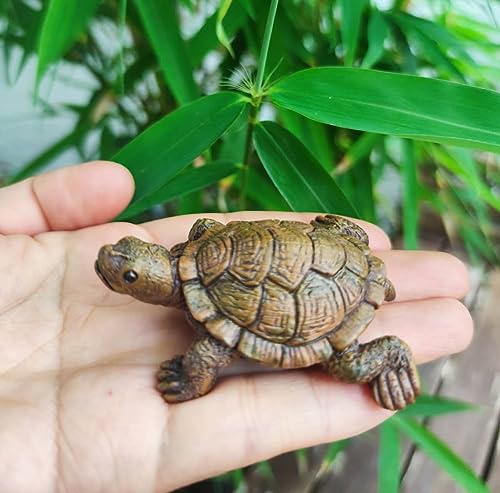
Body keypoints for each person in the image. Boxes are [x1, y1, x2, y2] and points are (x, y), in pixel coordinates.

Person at [0, 161, 472, 493]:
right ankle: (344, 238)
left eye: (127, 275)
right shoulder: (198, 246)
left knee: (345, 368)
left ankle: (387, 351)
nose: (114, 265)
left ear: (154, 279)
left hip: (324, 305)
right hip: (311, 249)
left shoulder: (195, 277)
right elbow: (207, 225)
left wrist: (191, 379)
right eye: (127, 269)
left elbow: (211, 352)